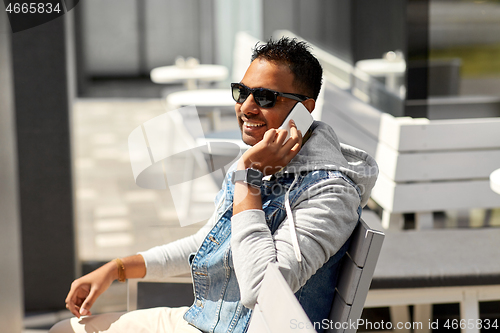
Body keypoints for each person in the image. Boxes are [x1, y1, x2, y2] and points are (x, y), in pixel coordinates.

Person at [50, 37, 378, 333]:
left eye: (265, 97)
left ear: (305, 109)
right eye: (242, 92)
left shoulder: (330, 192)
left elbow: (262, 288)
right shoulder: (261, 162)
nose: (247, 107)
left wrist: (247, 175)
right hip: (209, 320)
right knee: (67, 330)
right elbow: (210, 243)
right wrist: (118, 268)